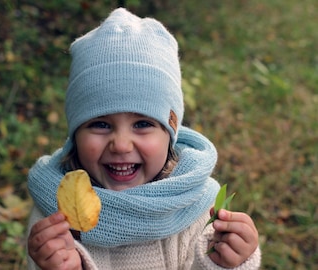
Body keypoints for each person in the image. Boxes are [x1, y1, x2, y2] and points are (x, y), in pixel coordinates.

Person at [26, 8, 261, 270]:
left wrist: (229, 261)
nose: (122, 145)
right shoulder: (57, 207)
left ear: (170, 134)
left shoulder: (195, 206)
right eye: (100, 124)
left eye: (143, 124)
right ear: (75, 135)